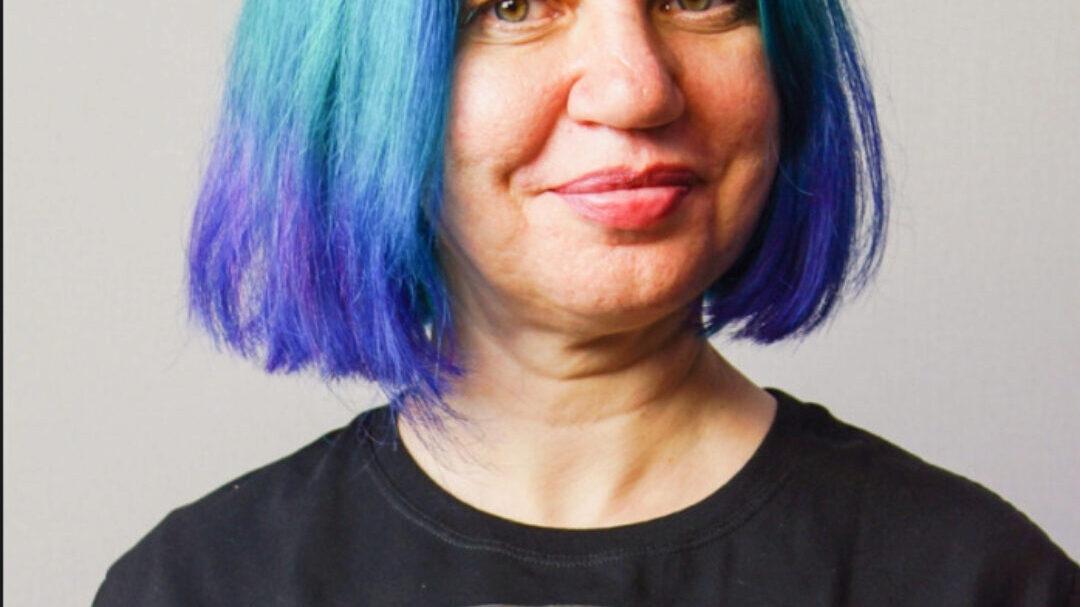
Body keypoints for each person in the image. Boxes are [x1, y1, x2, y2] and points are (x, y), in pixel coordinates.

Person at [94, 0, 1078, 604]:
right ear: (355, 87)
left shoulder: (984, 581)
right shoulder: (195, 587)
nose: (636, 88)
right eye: (514, 5)